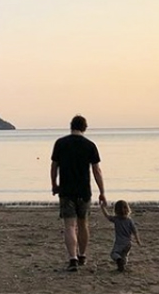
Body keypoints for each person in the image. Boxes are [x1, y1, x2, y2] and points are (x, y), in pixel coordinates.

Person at [50, 114, 106, 271]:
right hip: (84, 191)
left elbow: (54, 167)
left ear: (71, 126)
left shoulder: (60, 143)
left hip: (66, 190)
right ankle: (82, 254)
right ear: (85, 128)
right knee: (83, 224)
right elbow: (97, 171)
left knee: (69, 225)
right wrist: (102, 191)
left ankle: (72, 258)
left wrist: (54, 184)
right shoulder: (90, 145)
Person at [100, 200, 141, 271]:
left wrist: (102, 207)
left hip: (120, 242)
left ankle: (119, 261)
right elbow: (134, 230)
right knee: (124, 255)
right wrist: (137, 240)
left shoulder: (116, 219)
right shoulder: (129, 220)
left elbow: (107, 216)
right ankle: (121, 266)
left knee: (114, 254)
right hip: (128, 243)